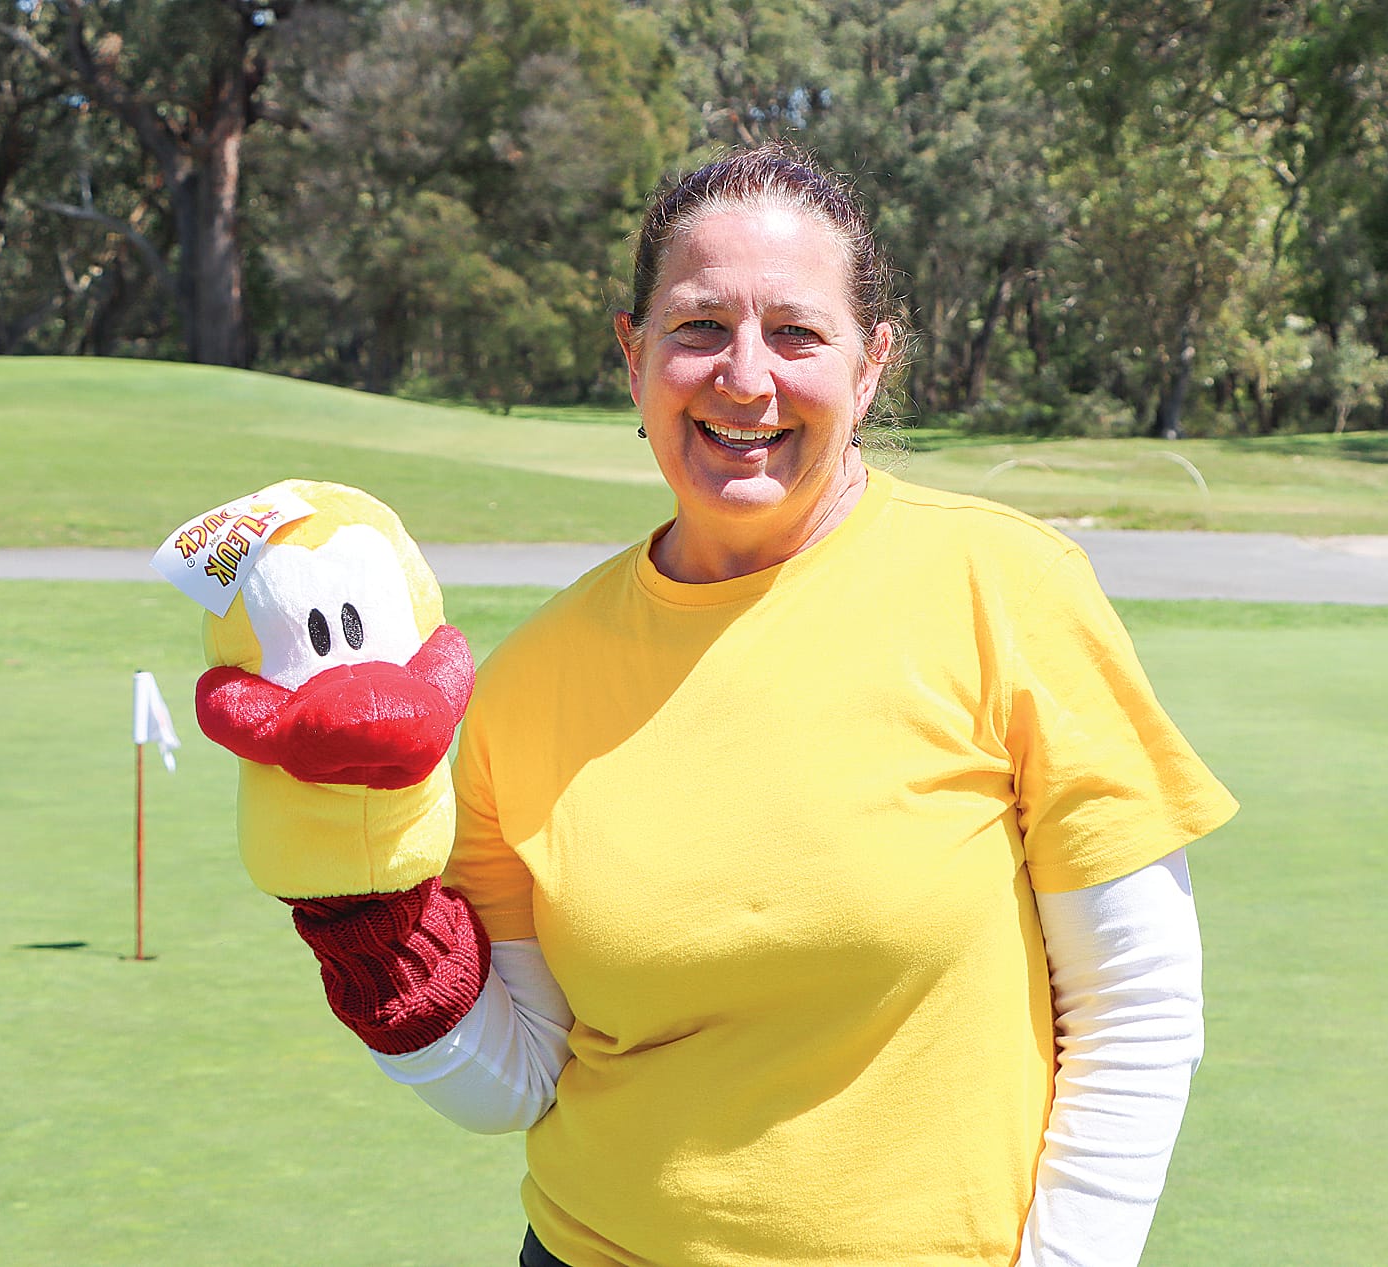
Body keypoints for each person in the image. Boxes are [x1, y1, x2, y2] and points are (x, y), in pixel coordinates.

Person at [285, 143, 1238, 1267]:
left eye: (796, 332)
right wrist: (370, 925)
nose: (746, 376)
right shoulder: (527, 679)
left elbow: (1138, 1007)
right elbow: (523, 1075)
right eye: (698, 327)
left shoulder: (1007, 588)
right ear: (632, 354)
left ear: (871, 363)